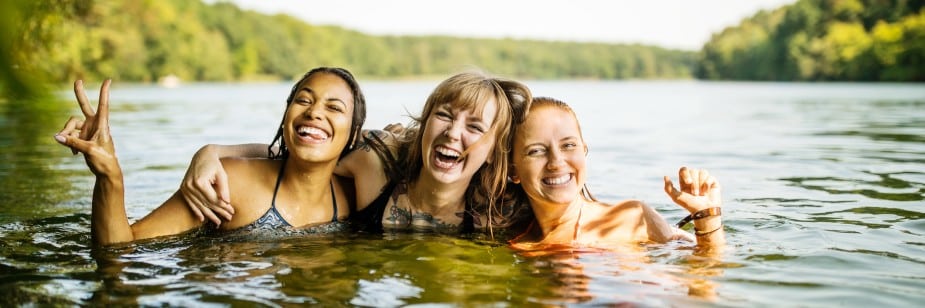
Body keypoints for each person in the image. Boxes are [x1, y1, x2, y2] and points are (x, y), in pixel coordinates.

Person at [182, 70, 532, 234]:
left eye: (475, 127)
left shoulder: (498, 209)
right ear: (425, 123)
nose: (453, 133)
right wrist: (213, 151)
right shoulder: (376, 161)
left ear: (492, 152)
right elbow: (306, 153)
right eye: (444, 115)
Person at [53, 67, 367, 245]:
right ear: (287, 115)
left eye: (334, 107)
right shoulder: (230, 181)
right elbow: (123, 247)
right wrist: (109, 176)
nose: (314, 113)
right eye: (304, 100)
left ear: (354, 134)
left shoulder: (358, 195)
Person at [506, 97, 725, 248]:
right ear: (513, 171)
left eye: (569, 145)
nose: (556, 162)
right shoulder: (518, 243)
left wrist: (706, 218)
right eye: (536, 151)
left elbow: (709, 275)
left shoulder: (632, 217)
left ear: (584, 150)